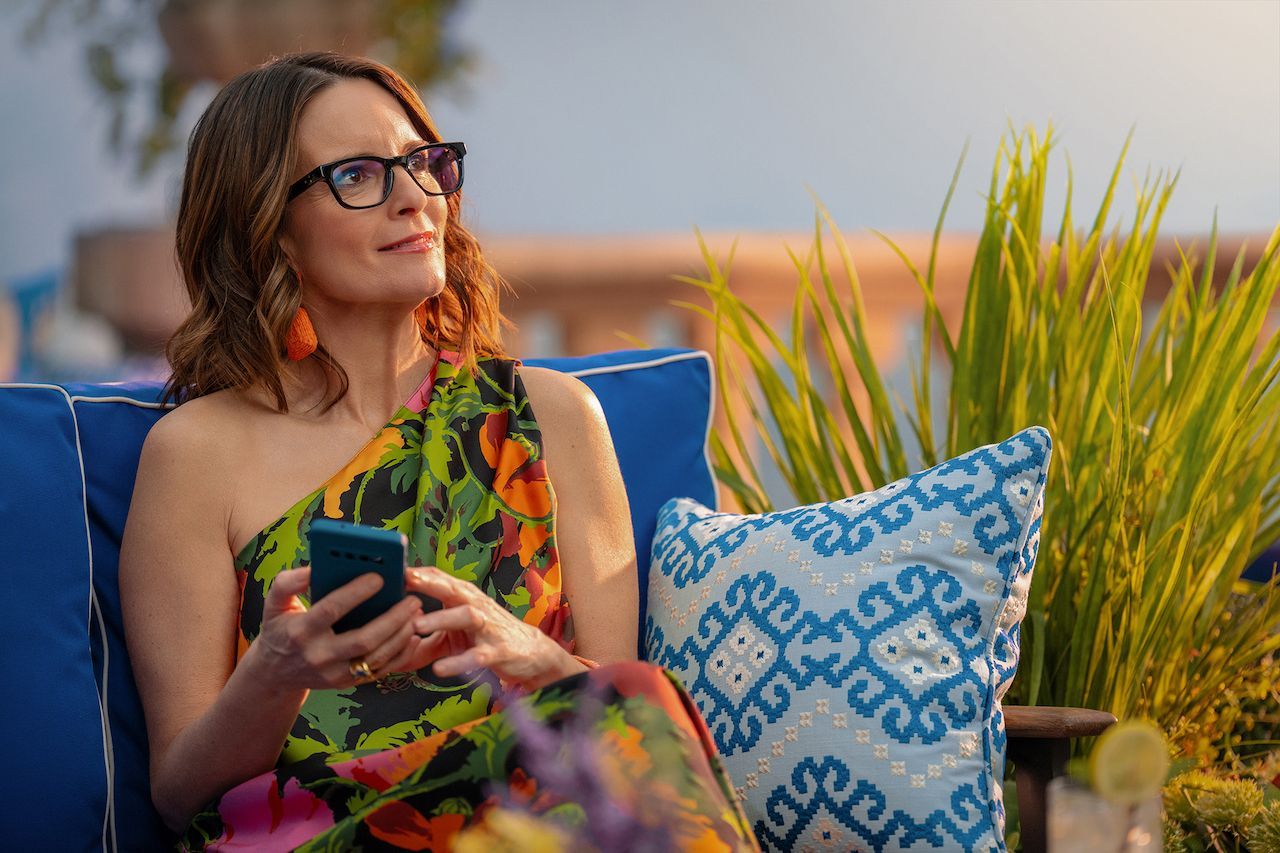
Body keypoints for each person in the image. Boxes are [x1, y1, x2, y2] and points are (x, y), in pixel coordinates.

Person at [118, 52, 756, 851]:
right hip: (322, 833)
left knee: (637, 693)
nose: (415, 197)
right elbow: (180, 792)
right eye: (358, 174)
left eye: (424, 164)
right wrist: (274, 674)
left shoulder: (553, 417)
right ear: (271, 229)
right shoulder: (196, 453)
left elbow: (619, 717)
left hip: (532, 819)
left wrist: (527, 650)